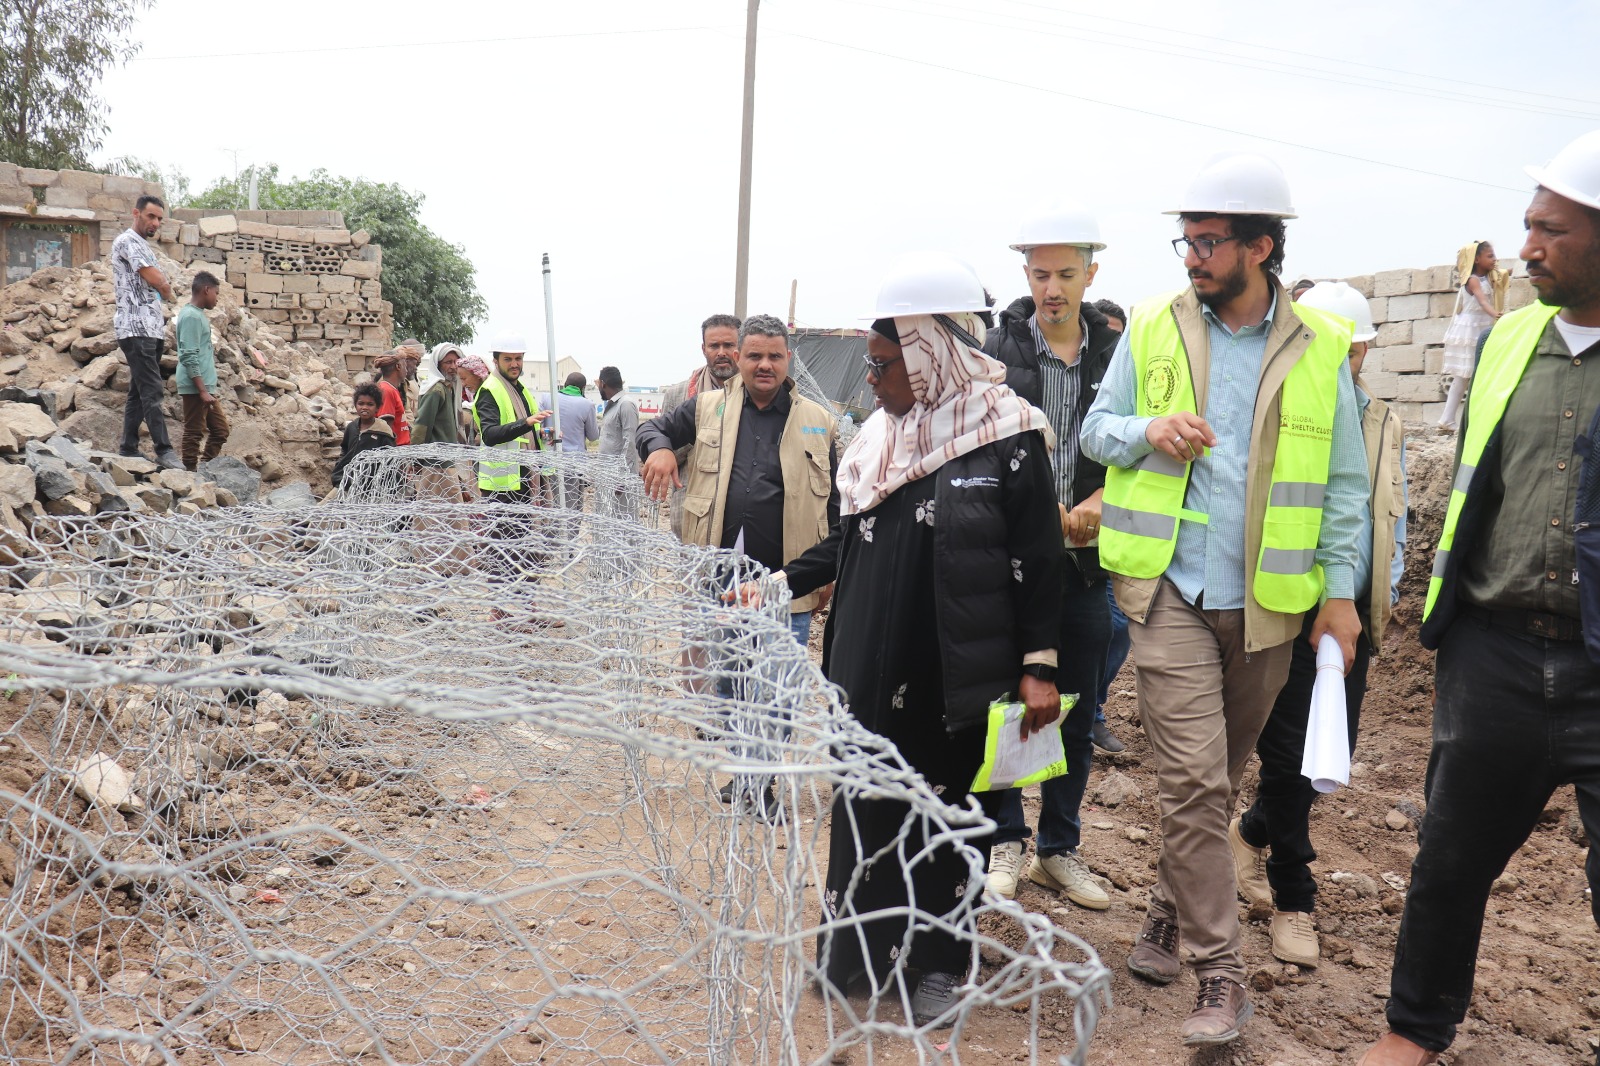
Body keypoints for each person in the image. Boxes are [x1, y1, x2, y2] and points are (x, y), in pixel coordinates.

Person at [1081, 152, 1366, 1048]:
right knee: (1194, 780)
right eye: (1186, 240)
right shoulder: (1157, 326)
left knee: (1220, 777)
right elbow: (1095, 427)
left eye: (1207, 242)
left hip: (1270, 602)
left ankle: (1169, 903)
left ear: (1262, 247)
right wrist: (1147, 431)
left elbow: (1347, 487)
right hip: (1168, 585)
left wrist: (1342, 594)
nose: (1191, 258)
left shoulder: (1320, 346)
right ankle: (1221, 974)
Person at [1357, 129, 1600, 1066]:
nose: (1528, 248)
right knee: (1449, 863)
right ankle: (1412, 1030)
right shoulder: (1508, 341)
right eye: (1527, 227)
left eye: (1552, 230)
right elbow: (1475, 485)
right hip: (1493, 652)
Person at [780, 253, 1062, 1027]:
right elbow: (845, 545)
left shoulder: (1007, 436)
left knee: (947, 813)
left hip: (957, 671)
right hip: (866, 662)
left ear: (932, 352)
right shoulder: (876, 442)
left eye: (883, 364)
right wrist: (777, 581)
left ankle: (939, 965)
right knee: (865, 805)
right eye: (869, 365)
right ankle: (855, 957)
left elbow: (1040, 562)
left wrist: (1041, 666)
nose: (870, 379)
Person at [1229, 280, 1407, 970]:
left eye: (1350, 350)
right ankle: (1295, 897)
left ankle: (1247, 835)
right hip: (1289, 601)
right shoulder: (1286, 409)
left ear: (1360, 350)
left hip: (1350, 615)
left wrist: (1376, 601)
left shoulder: (1384, 421)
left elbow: (1391, 514)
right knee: (1289, 754)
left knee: (1332, 754)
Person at [976, 200, 1117, 912]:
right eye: (1040, 274)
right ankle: (1005, 838)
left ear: (1092, 273)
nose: (1052, 287)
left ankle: (1059, 849)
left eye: (1066, 273)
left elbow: (1144, 451)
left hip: (1089, 570)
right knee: (1008, 703)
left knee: (1078, 708)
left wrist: (1106, 503)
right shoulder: (999, 358)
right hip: (1012, 570)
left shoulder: (1120, 358)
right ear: (1025, 275)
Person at [638, 313, 838, 652]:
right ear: (738, 358)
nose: (765, 365)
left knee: (779, 698)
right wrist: (659, 449)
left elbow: (833, 507)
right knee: (727, 694)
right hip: (720, 585)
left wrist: (827, 576)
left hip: (786, 588)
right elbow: (652, 429)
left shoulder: (819, 421)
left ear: (788, 359)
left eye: (774, 356)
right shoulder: (707, 408)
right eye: (754, 356)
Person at [473, 333, 557, 628]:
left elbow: (528, 433)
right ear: (496, 360)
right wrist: (525, 424)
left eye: (518, 359)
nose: (514, 364)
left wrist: (542, 435)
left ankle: (526, 608)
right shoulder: (491, 389)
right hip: (501, 485)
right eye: (508, 359)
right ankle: (499, 613)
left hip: (524, 482)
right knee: (502, 549)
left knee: (525, 547)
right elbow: (490, 434)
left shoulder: (520, 389)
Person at [113, 195, 183, 471]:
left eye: (159, 219)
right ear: (136, 213)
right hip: (136, 328)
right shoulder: (128, 241)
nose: (155, 223)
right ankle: (164, 451)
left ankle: (128, 448)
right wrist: (167, 291)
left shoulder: (141, 245)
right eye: (150, 216)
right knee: (153, 392)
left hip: (150, 330)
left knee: (138, 393)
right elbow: (157, 280)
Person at [658, 314, 741, 535]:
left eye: (728, 345)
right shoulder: (680, 394)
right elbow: (667, 450)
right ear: (704, 349)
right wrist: (705, 427)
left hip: (740, 514)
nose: (721, 352)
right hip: (690, 514)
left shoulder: (757, 394)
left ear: (740, 347)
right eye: (714, 345)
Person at [1437, 240, 1511, 432]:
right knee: (1464, 375)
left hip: (1482, 327)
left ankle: (1457, 419)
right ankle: (1447, 418)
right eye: (1490, 256)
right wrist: (1495, 313)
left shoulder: (1490, 277)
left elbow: (1502, 278)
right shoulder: (1473, 280)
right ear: (1477, 259)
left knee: (1479, 374)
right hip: (1470, 329)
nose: (1494, 259)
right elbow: (1482, 300)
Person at [175, 270, 230, 471]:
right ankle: (189, 473)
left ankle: (205, 468)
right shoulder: (191, 316)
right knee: (193, 431)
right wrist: (202, 390)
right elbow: (189, 355)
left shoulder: (197, 315)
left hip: (204, 386)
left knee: (220, 430)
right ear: (206, 290)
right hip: (196, 387)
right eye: (216, 293)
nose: (216, 299)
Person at [331, 383, 395, 490]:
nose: (365, 407)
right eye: (361, 403)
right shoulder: (352, 427)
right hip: (347, 482)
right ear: (355, 405)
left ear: (377, 407)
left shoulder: (383, 431)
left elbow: (390, 461)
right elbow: (345, 450)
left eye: (370, 404)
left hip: (371, 487)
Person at [413, 343, 463, 445]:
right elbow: (422, 425)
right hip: (435, 457)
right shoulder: (436, 390)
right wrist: (416, 455)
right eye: (448, 362)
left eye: (456, 362)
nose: (453, 367)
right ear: (438, 365)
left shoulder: (449, 387)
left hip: (447, 454)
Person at [596, 366, 640, 474]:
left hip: (619, 478)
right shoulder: (613, 405)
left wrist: (622, 479)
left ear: (603, 384)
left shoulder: (626, 404)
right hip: (607, 474)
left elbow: (630, 442)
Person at [373, 353, 412, 445]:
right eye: (405, 367)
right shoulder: (387, 390)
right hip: (396, 452)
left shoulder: (392, 389)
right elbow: (386, 429)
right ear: (398, 366)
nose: (406, 371)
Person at [457, 353, 490, 447]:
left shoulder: (487, 395)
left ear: (478, 375)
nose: (463, 384)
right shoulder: (479, 394)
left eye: (464, 379)